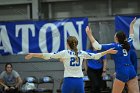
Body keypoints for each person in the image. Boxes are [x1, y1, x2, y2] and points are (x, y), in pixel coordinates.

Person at [25, 36, 117, 93]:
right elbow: (96, 56)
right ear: (76, 44)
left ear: (67, 44)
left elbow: (47, 55)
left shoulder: (65, 53)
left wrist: (33, 54)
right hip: (79, 82)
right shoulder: (81, 53)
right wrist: (107, 51)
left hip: (69, 81)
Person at [86, 17, 139, 93]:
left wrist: (89, 34)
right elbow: (131, 36)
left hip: (122, 71)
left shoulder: (114, 46)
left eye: (115, 35)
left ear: (116, 38)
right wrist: (131, 25)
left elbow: (97, 46)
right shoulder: (128, 44)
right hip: (131, 70)